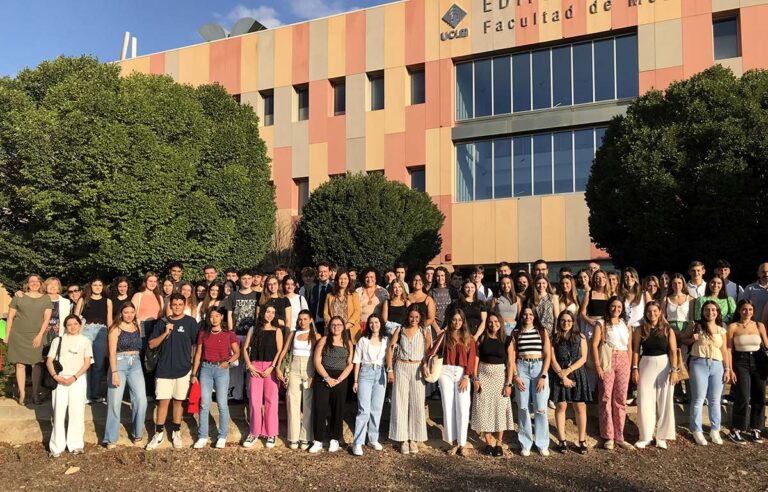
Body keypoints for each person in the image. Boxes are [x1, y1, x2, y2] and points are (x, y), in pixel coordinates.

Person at [146, 294, 200, 450]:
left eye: (180, 304)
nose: (177, 307)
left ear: (184, 305)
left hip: (183, 369)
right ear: (170, 305)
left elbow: (196, 346)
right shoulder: (162, 322)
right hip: (163, 369)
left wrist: (193, 368)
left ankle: (176, 431)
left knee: (178, 402)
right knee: (163, 403)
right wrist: (165, 333)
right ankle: (158, 433)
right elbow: (151, 344)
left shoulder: (190, 322)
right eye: (174, 304)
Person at [632, 301, 679, 449]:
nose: (652, 314)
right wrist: (634, 368)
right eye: (649, 311)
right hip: (646, 363)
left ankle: (662, 436)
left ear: (660, 312)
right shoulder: (640, 329)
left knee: (664, 400)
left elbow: (673, 350)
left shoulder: (667, 329)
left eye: (655, 311)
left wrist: (674, 370)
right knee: (645, 399)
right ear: (645, 313)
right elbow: (635, 350)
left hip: (664, 364)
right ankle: (645, 436)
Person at [681, 301, 730, 446]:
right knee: (698, 398)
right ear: (702, 312)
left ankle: (715, 429)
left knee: (715, 399)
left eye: (713, 310)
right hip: (699, 363)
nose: (710, 312)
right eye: (707, 310)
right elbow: (683, 340)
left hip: (717, 364)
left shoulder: (722, 330)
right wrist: (692, 338)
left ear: (718, 312)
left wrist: (727, 368)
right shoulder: (695, 325)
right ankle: (697, 430)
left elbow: (724, 351)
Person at [191, 307, 240, 449]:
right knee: (204, 403)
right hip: (206, 368)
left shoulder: (228, 334)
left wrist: (228, 362)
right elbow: (198, 354)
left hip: (221, 369)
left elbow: (237, 352)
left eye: (217, 316)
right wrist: (194, 374)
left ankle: (222, 436)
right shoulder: (203, 334)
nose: (214, 319)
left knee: (222, 403)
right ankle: (202, 436)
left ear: (221, 318)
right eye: (211, 316)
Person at [387, 305, 432, 454]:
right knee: (400, 402)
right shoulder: (400, 330)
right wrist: (390, 370)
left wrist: (426, 365)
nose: (414, 319)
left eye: (417, 317)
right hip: (401, 366)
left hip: (418, 367)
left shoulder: (425, 331)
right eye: (412, 317)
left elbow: (428, 352)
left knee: (417, 402)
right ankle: (402, 439)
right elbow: (390, 348)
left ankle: (414, 438)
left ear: (421, 318)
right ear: (407, 316)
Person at [46, 314, 92, 458]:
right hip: (60, 379)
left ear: (79, 325)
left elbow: (86, 363)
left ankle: (76, 444)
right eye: (69, 324)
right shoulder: (58, 341)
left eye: (75, 324)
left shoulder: (85, 341)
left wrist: (74, 377)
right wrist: (56, 376)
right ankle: (56, 447)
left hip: (77, 379)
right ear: (65, 326)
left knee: (77, 412)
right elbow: (49, 361)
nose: (72, 327)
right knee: (58, 413)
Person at [592, 297, 634, 450]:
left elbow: (629, 346)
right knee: (606, 397)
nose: (616, 309)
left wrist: (629, 365)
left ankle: (619, 435)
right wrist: (598, 366)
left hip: (623, 358)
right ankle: (608, 435)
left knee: (620, 398)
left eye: (619, 306)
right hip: (608, 358)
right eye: (613, 306)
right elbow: (594, 345)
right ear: (608, 307)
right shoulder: (601, 323)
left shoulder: (626, 324)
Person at [470, 311, 515, 457]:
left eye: (496, 321)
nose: (493, 324)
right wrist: (475, 378)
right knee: (483, 408)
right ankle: (488, 440)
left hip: (500, 378)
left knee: (499, 409)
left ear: (500, 323)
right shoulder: (482, 338)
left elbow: (510, 363)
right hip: (483, 375)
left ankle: (499, 443)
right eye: (490, 322)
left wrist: (508, 384)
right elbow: (476, 359)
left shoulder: (507, 339)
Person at [4, 274, 53, 405]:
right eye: (32, 281)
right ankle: (22, 393)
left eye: (37, 281)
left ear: (41, 283)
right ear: (27, 284)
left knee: (36, 364)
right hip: (18, 335)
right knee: (20, 364)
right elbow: (10, 318)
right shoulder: (18, 297)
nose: (34, 283)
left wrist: (39, 335)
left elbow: (47, 319)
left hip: (37, 335)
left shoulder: (46, 298)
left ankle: (36, 393)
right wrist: (7, 335)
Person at [509, 306, 552, 456]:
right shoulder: (516, 332)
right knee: (523, 407)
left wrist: (544, 375)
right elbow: (512, 356)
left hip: (539, 368)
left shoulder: (541, 331)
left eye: (530, 314)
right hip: (522, 368)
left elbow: (548, 355)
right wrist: (516, 375)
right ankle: (525, 443)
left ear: (534, 316)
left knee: (541, 408)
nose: (528, 316)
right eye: (525, 314)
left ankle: (542, 443)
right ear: (521, 316)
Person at [103, 302, 147, 449]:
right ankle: (111, 438)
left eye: (132, 312)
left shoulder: (138, 327)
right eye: (126, 312)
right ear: (121, 313)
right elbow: (111, 352)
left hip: (135, 363)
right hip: (119, 363)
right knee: (115, 401)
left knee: (141, 399)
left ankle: (137, 434)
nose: (129, 315)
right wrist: (114, 372)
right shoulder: (115, 328)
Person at [276, 310, 320, 450]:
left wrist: (315, 375)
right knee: (292, 402)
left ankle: (306, 437)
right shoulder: (293, 334)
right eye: (300, 319)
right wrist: (278, 366)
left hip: (309, 370)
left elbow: (318, 356)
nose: (302, 322)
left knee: (307, 404)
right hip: (294, 370)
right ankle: (293, 437)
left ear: (310, 320)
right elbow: (284, 351)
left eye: (305, 319)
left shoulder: (316, 335)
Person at [309, 316, 354, 453]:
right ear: (329, 327)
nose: (336, 327)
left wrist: (339, 380)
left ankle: (335, 439)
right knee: (320, 408)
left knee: (338, 409)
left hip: (340, 377)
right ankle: (318, 440)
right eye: (333, 325)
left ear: (343, 326)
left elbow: (350, 364)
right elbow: (317, 361)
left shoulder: (348, 343)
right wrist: (327, 378)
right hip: (323, 376)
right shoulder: (323, 340)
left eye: (339, 324)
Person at [726, 299, 768, 444]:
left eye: (750, 309)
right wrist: (729, 369)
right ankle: (736, 429)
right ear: (739, 310)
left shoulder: (759, 325)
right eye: (744, 309)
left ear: (753, 311)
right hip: (740, 361)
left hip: (758, 361)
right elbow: (729, 349)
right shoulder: (733, 327)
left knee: (760, 395)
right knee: (743, 395)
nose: (747, 312)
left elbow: (766, 345)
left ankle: (756, 428)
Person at [551, 310, 592, 454]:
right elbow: (552, 359)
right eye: (563, 320)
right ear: (559, 322)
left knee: (580, 407)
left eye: (569, 321)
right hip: (560, 374)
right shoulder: (554, 338)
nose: (566, 323)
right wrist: (563, 376)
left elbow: (583, 358)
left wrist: (568, 371)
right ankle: (562, 440)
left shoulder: (580, 337)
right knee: (561, 405)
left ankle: (582, 440)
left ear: (573, 322)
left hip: (577, 373)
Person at [242, 305, 284, 449]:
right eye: (268, 311)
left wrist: (272, 367)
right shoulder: (253, 330)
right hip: (255, 367)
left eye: (273, 312)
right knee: (254, 401)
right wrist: (249, 366)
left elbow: (280, 351)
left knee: (271, 401)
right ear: (263, 313)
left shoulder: (277, 330)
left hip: (270, 368)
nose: (270, 314)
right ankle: (254, 432)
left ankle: (271, 433)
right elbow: (245, 349)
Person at [436, 309, 476, 456]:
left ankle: (462, 443)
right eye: (454, 320)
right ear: (450, 321)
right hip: (445, 371)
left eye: (459, 320)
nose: (457, 322)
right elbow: (434, 352)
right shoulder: (444, 336)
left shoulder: (469, 338)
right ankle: (452, 442)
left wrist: (467, 376)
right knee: (448, 407)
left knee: (463, 408)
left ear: (463, 321)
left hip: (461, 373)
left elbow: (471, 359)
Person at [351, 314, 389, 456]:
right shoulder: (363, 340)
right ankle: (358, 442)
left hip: (380, 373)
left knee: (376, 408)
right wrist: (355, 381)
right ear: (368, 325)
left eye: (377, 322)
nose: (374, 325)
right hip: (365, 373)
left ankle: (373, 438)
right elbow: (357, 361)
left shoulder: (386, 340)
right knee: (363, 409)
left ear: (381, 324)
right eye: (371, 323)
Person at [75, 278, 113, 404]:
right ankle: (85, 394)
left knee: (98, 365)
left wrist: (111, 337)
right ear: (90, 286)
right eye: (95, 285)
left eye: (100, 285)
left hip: (101, 332)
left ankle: (95, 395)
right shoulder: (83, 299)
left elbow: (109, 321)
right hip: (85, 330)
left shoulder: (107, 301)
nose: (97, 287)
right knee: (85, 364)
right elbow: (75, 318)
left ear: (103, 287)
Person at [224, 269, 259, 401]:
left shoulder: (257, 295)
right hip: (237, 334)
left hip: (251, 334)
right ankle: (235, 395)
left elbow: (257, 315)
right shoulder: (234, 295)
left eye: (249, 278)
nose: (246, 281)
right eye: (244, 278)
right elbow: (229, 314)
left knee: (251, 365)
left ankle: (250, 395)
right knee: (236, 366)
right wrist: (231, 333)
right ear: (239, 280)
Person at [130, 272, 163, 398]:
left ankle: (153, 391)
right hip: (142, 328)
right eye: (150, 281)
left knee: (154, 358)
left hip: (155, 327)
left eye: (155, 281)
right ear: (145, 281)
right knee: (144, 359)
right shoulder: (138, 295)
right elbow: (132, 314)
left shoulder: (159, 297)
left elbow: (160, 316)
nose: (153, 284)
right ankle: (143, 392)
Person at [664, 273, 693, 402]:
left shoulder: (690, 299)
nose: (677, 285)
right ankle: (677, 393)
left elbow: (692, 319)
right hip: (671, 331)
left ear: (683, 284)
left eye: (679, 283)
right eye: (674, 283)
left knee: (686, 361)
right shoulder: (666, 299)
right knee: (673, 359)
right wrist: (671, 331)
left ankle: (690, 393)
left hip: (686, 331)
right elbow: (663, 317)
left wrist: (685, 333)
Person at [323, 269, 361, 342]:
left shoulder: (354, 295)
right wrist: (332, 326)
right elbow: (326, 313)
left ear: (349, 280)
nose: (343, 281)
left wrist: (347, 325)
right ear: (337, 280)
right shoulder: (330, 296)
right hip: (333, 330)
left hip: (349, 330)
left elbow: (357, 311)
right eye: (340, 278)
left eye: (345, 279)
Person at [580, 270, 611, 342]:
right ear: (594, 280)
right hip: (592, 326)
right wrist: (591, 322)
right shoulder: (589, 294)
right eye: (597, 278)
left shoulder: (610, 295)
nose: (601, 280)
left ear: (606, 279)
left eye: (603, 277)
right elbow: (582, 313)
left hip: (606, 327)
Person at [356, 268, 388, 334]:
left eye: (372, 277)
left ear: (376, 278)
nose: (369, 279)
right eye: (367, 277)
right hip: (361, 326)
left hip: (377, 326)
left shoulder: (383, 292)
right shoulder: (358, 291)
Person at [44, 278, 72, 352]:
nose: (52, 286)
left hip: (58, 333)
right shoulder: (39, 300)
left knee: (55, 357)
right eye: (50, 284)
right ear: (45, 287)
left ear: (59, 288)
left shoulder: (66, 302)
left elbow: (67, 320)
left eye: (55, 284)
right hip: (42, 332)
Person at [407, 272, 436, 337]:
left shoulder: (428, 299)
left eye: (420, 280)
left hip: (423, 330)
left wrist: (419, 326)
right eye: (415, 280)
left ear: (423, 283)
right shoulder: (406, 297)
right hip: (408, 329)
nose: (417, 282)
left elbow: (431, 318)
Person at [307, 262, 332, 335]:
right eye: (320, 272)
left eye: (325, 271)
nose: (323, 274)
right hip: (314, 322)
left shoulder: (334, 287)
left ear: (330, 272)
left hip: (328, 323)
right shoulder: (311, 287)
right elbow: (307, 304)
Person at [430, 266, 453, 335]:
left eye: (442, 275)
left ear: (446, 276)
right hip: (435, 328)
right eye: (438, 276)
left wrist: (447, 327)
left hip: (451, 326)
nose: (440, 278)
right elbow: (429, 313)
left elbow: (454, 310)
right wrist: (437, 329)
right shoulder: (431, 292)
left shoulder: (452, 291)